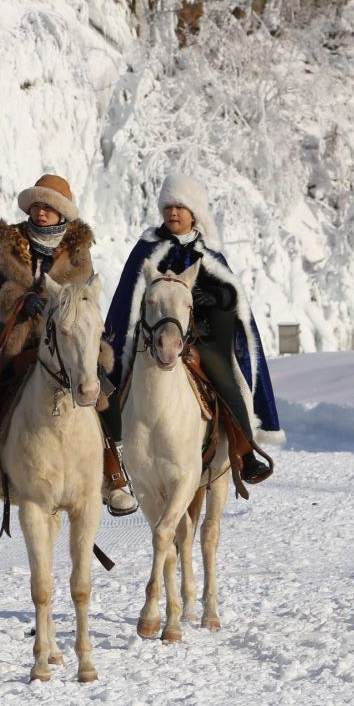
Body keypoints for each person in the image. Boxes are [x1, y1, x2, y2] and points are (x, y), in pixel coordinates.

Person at [0, 173, 137, 516]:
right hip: (16, 337)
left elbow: (83, 299)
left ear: (62, 213)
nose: (40, 213)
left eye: (48, 208)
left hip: (67, 339)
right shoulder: (9, 244)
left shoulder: (78, 253)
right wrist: (18, 301)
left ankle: (115, 478)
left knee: (105, 396)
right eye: (36, 206)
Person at [103, 173, 281, 484]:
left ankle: (244, 450)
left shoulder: (208, 251)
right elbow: (126, 300)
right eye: (168, 206)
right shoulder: (147, 248)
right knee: (111, 381)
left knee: (227, 379)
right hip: (149, 337)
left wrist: (215, 295)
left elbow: (233, 296)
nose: (173, 212)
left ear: (193, 213)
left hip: (199, 338)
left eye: (180, 207)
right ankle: (107, 456)